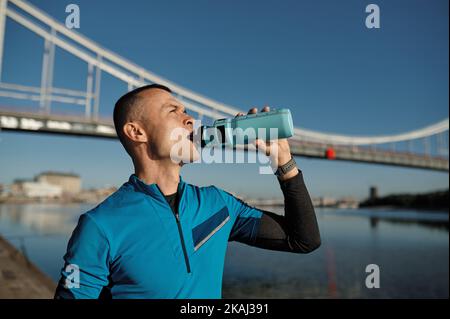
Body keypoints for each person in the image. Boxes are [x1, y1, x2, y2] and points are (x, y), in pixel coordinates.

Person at [54, 84, 321, 299]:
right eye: (173, 111)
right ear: (136, 132)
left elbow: (303, 241)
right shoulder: (100, 226)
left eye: (186, 111)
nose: (191, 119)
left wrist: (283, 162)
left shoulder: (219, 204)